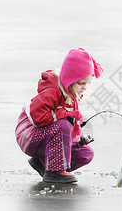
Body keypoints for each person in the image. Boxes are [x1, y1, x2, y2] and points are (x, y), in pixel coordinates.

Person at [15, 48, 104, 184]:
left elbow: (66, 127)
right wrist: (65, 115)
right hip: (29, 135)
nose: (85, 87)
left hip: (49, 136)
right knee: (63, 125)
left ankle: (44, 163)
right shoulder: (52, 91)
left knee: (85, 154)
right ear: (70, 79)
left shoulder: (72, 97)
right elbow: (37, 117)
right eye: (81, 83)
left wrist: (78, 140)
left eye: (88, 83)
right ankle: (54, 172)